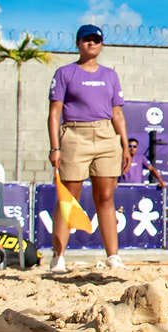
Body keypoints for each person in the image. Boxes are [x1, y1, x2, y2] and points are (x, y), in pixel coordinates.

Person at [47, 24, 131, 273]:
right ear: (78, 43)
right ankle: (58, 256)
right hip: (75, 134)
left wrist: (125, 144)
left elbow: (117, 113)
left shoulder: (110, 75)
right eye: (87, 39)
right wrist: (55, 147)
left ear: (102, 44)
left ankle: (113, 256)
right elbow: (54, 113)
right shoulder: (65, 73)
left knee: (105, 197)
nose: (91, 43)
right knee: (68, 197)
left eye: (96, 40)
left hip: (106, 135)